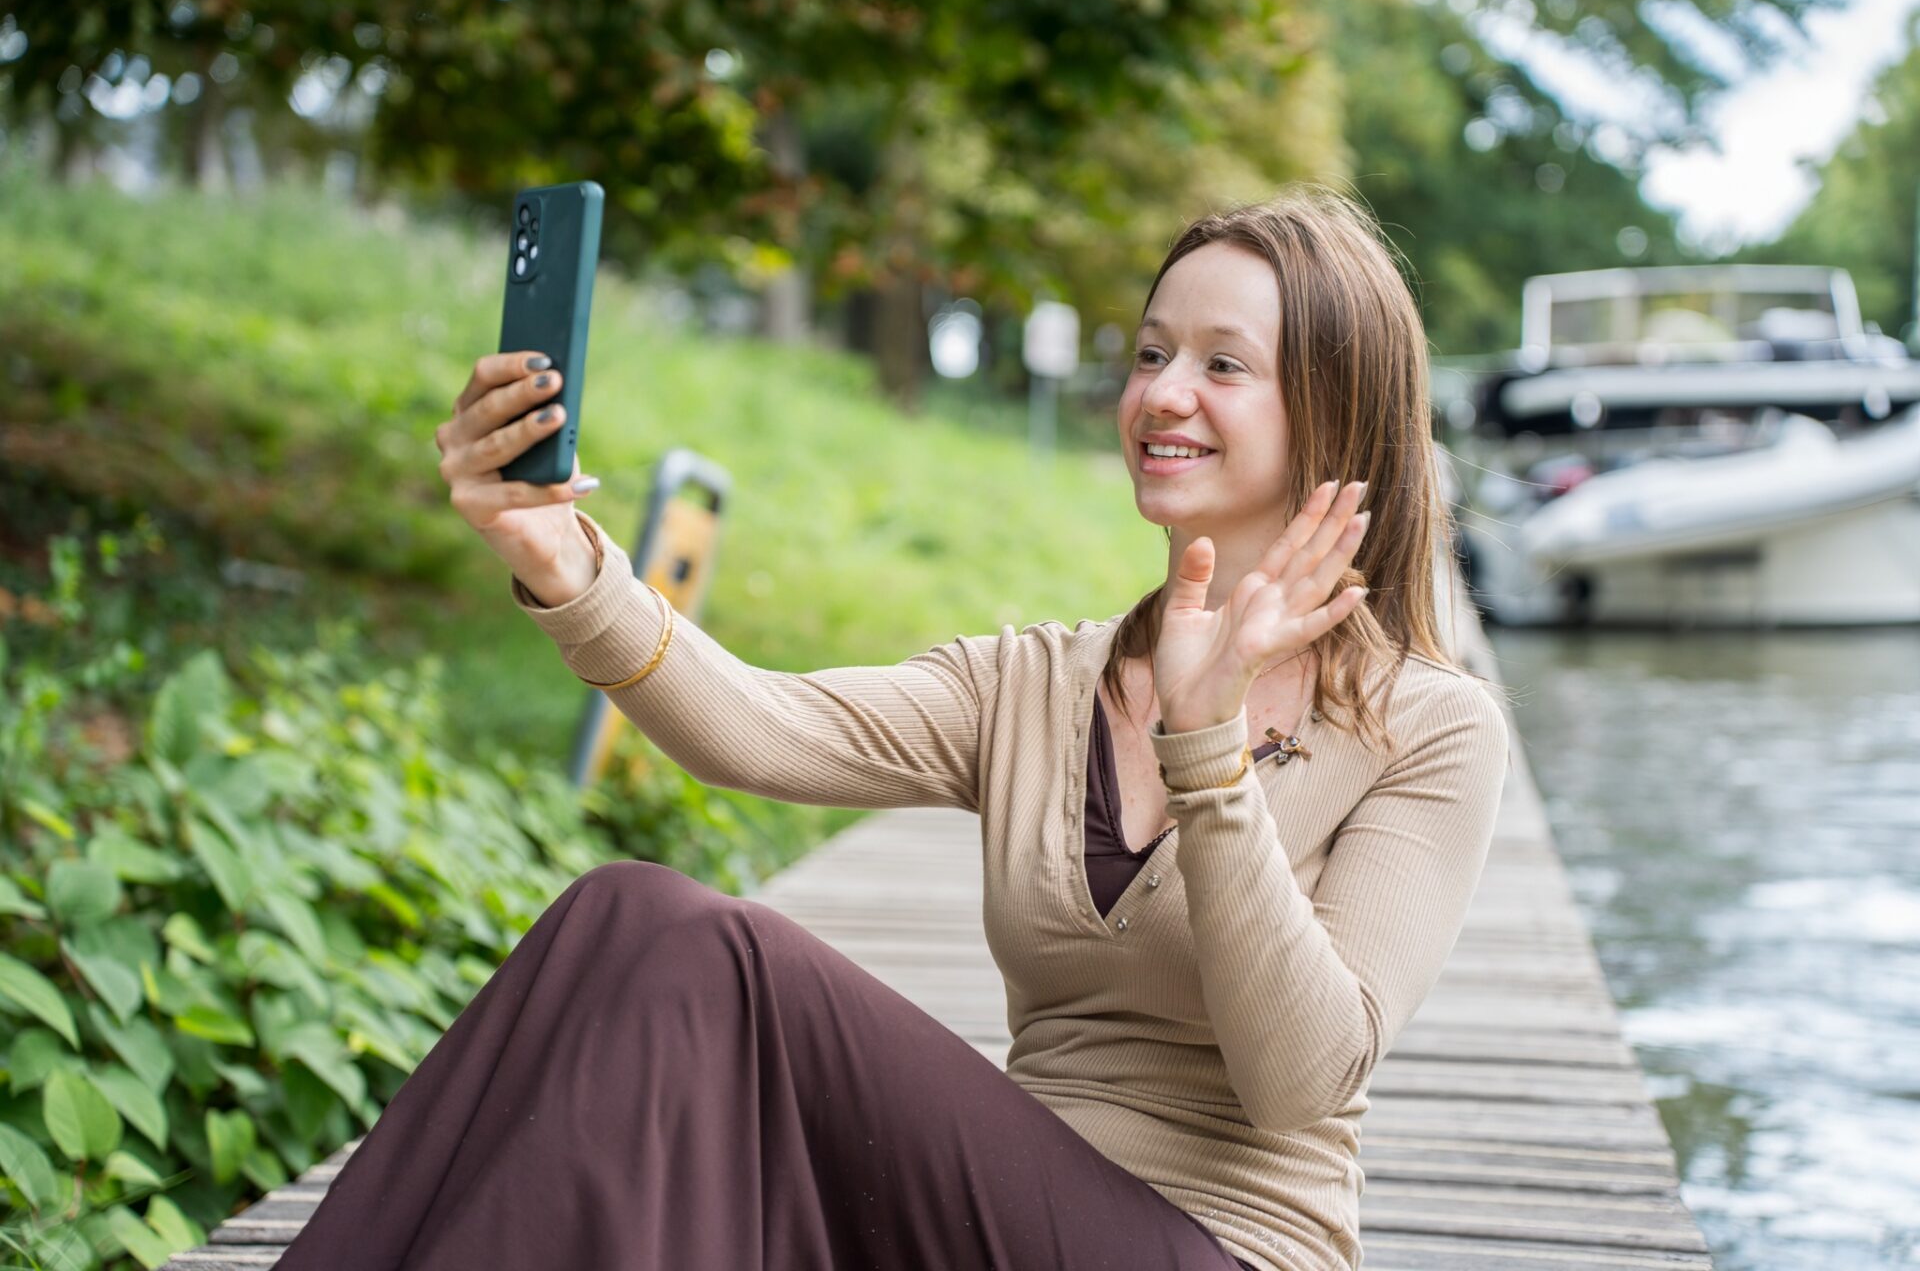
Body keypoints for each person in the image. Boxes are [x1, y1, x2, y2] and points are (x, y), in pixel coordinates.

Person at [277, 185, 1510, 1271]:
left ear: (1336, 411)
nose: (1160, 392)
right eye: (1149, 351)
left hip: (1222, 1242)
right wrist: (563, 562)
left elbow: (1301, 1079)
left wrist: (1208, 745)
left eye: (1223, 364)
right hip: (983, 1228)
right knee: (616, 923)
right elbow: (759, 727)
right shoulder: (1040, 682)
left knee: (689, 947)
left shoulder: (1428, 726)